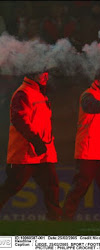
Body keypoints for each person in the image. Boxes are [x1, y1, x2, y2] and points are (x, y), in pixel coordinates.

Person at [0, 71, 62, 221]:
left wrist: (41, 144)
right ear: (33, 74)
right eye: (43, 73)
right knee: (12, 187)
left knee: (52, 187)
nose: (46, 76)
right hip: (25, 154)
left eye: (47, 73)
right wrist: (35, 140)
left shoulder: (39, 93)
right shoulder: (23, 93)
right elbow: (19, 119)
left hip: (42, 154)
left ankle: (55, 222)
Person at [62, 70, 100, 221]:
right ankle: (65, 219)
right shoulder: (87, 95)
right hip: (88, 151)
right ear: (98, 81)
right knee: (80, 187)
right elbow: (91, 106)